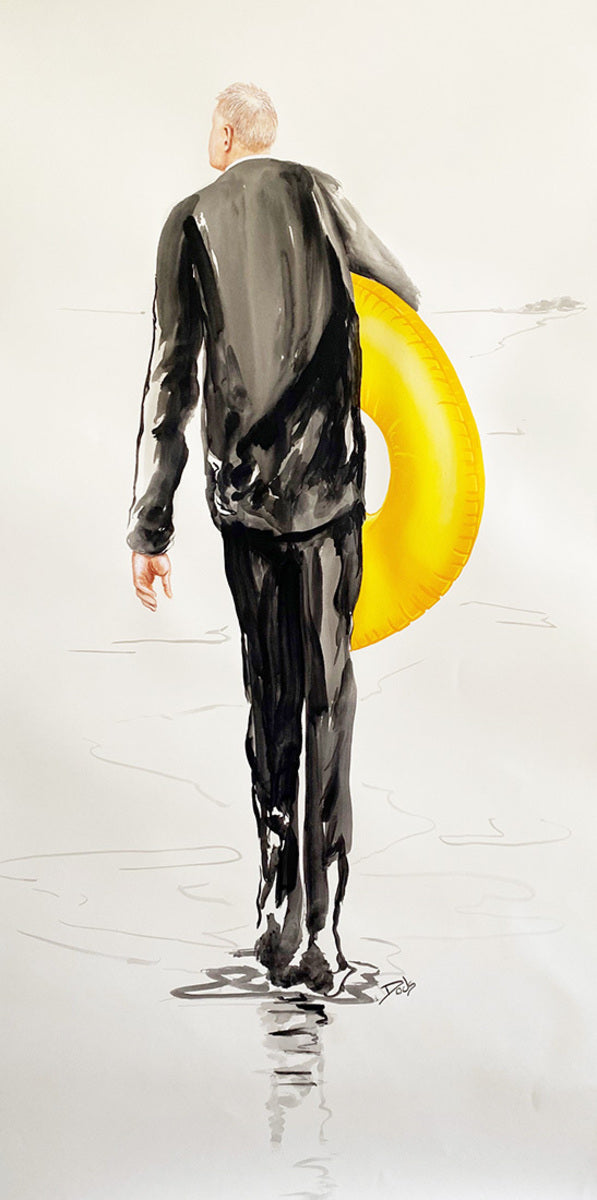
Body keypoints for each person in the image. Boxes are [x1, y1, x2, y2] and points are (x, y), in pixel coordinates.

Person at [127, 83, 419, 992]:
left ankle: (271, 903)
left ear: (225, 132)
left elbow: (171, 379)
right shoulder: (322, 196)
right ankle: (322, 928)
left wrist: (150, 521)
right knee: (327, 694)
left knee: (270, 694)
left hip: (244, 504)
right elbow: (402, 295)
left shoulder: (189, 219)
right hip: (330, 496)